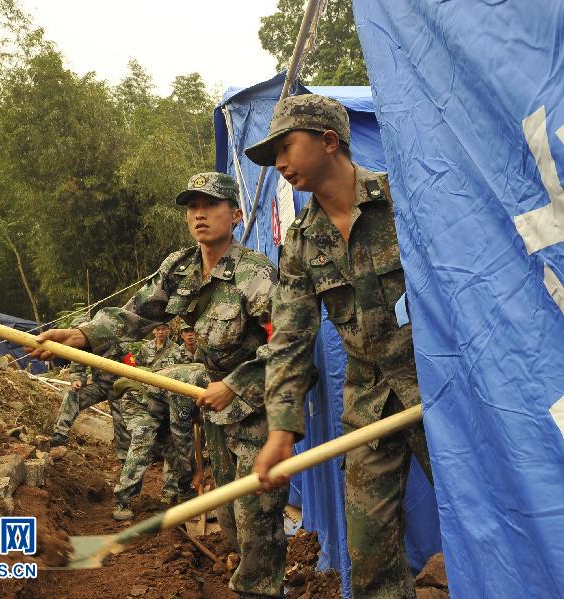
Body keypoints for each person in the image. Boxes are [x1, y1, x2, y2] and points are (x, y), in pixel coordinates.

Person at [29, 172, 287, 599]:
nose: (199, 215)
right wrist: (78, 336)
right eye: (192, 207)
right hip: (216, 407)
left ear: (236, 215)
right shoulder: (179, 268)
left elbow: (288, 346)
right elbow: (133, 315)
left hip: (259, 410)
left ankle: (260, 591)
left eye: (211, 205)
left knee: (257, 517)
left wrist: (238, 385)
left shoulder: (254, 275)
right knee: (228, 513)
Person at [246, 94, 434, 599]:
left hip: (438, 389)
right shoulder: (301, 245)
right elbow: (289, 340)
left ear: (329, 142)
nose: (280, 163)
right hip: (368, 402)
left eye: (286, 147)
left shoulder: (402, 201)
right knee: (369, 548)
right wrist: (282, 430)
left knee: (487, 514)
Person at [110, 322, 196, 518]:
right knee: (144, 440)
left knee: (173, 449)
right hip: (139, 400)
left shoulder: (190, 364)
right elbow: (182, 434)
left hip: (162, 402)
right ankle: (123, 501)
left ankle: (185, 491)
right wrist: (196, 471)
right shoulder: (189, 387)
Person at [50, 315, 130, 464]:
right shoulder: (80, 348)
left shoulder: (115, 341)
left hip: (119, 387)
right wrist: (77, 381)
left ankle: (125, 459)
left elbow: (131, 366)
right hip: (100, 386)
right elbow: (77, 369)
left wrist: (128, 387)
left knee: (122, 422)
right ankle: (60, 434)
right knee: (73, 396)